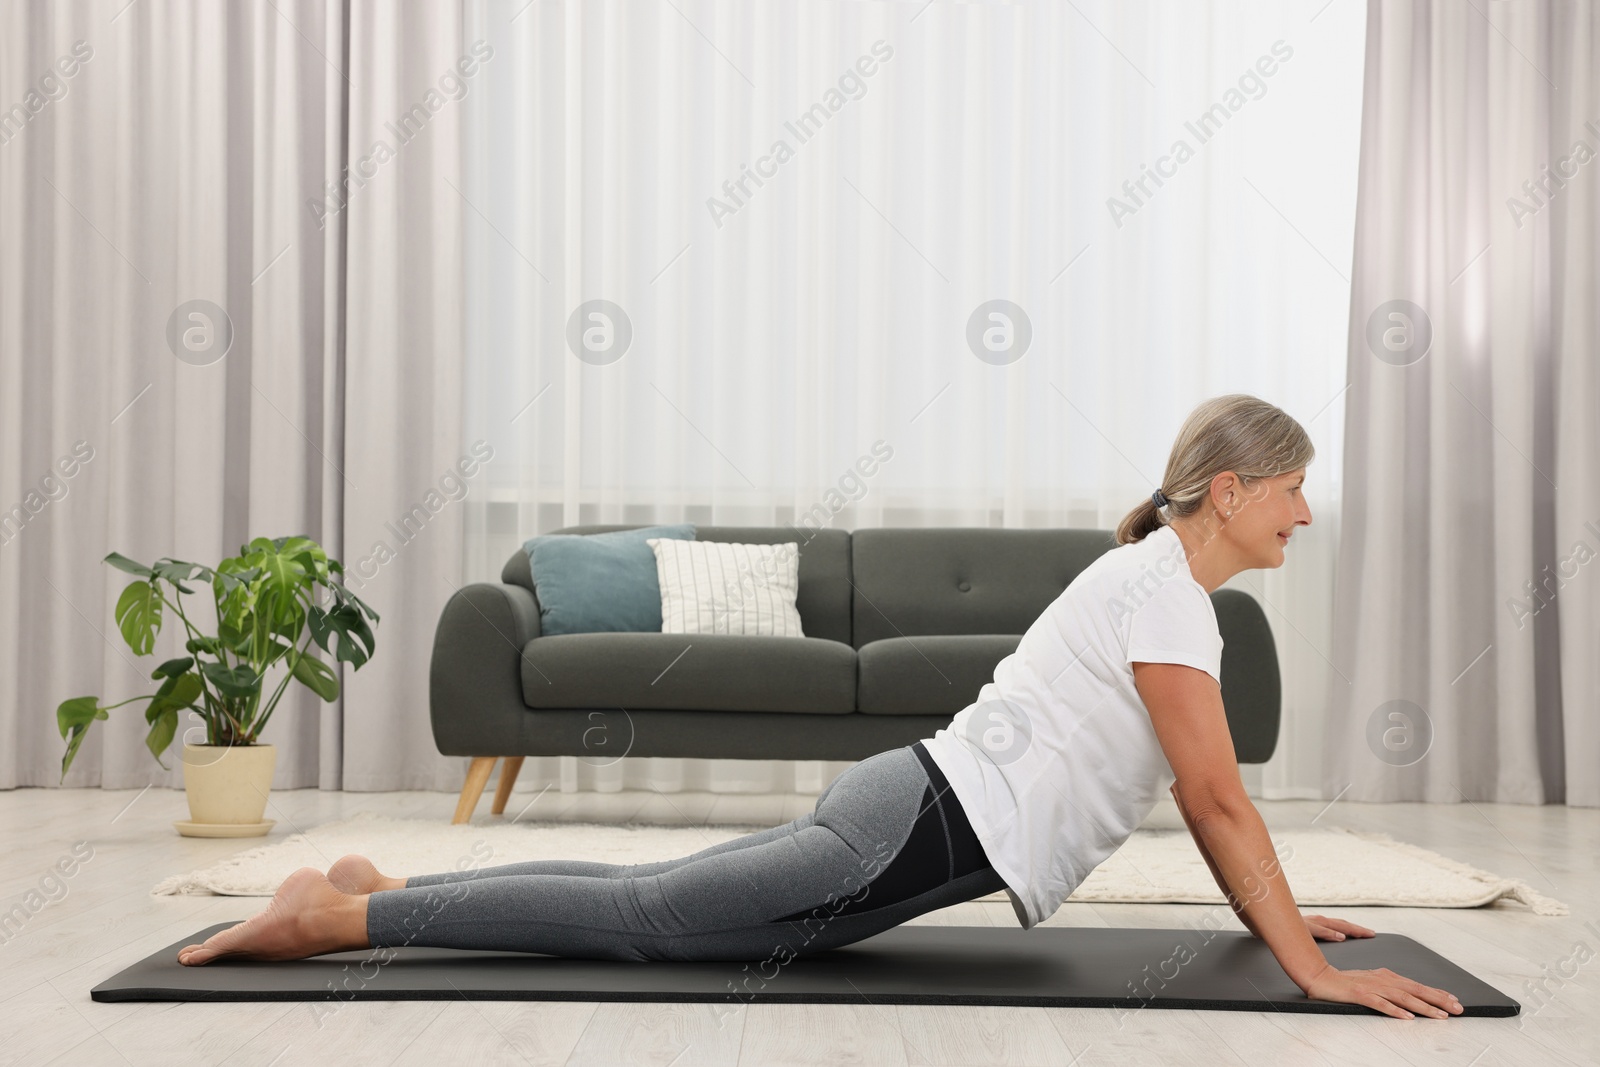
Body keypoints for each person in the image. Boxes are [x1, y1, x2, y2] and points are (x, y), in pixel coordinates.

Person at [178, 394, 1463, 1022]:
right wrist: (1306, 967)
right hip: (907, 830)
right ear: (1230, 491)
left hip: (905, 806)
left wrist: (1284, 912)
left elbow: (1206, 795)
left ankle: (365, 888)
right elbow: (1213, 793)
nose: (1304, 510)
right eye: (1294, 487)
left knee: (659, 899)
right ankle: (340, 916)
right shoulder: (1168, 592)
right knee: (644, 922)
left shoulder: (1150, 574)